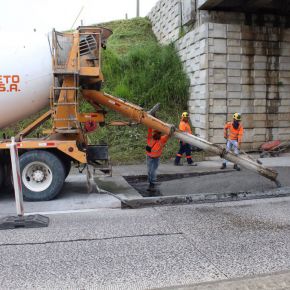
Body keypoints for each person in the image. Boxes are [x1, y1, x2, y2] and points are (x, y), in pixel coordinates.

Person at [146, 128, 169, 192]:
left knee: (152, 171)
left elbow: (168, 134)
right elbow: (149, 129)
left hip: (156, 158)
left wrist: (171, 129)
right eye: (155, 133)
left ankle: (152, 184)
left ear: (160, 134)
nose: (156, 134)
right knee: (149, 171)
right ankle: (150, 183)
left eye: (158, 133)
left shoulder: (162, 139)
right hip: (149, 157)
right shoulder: (150, 138)